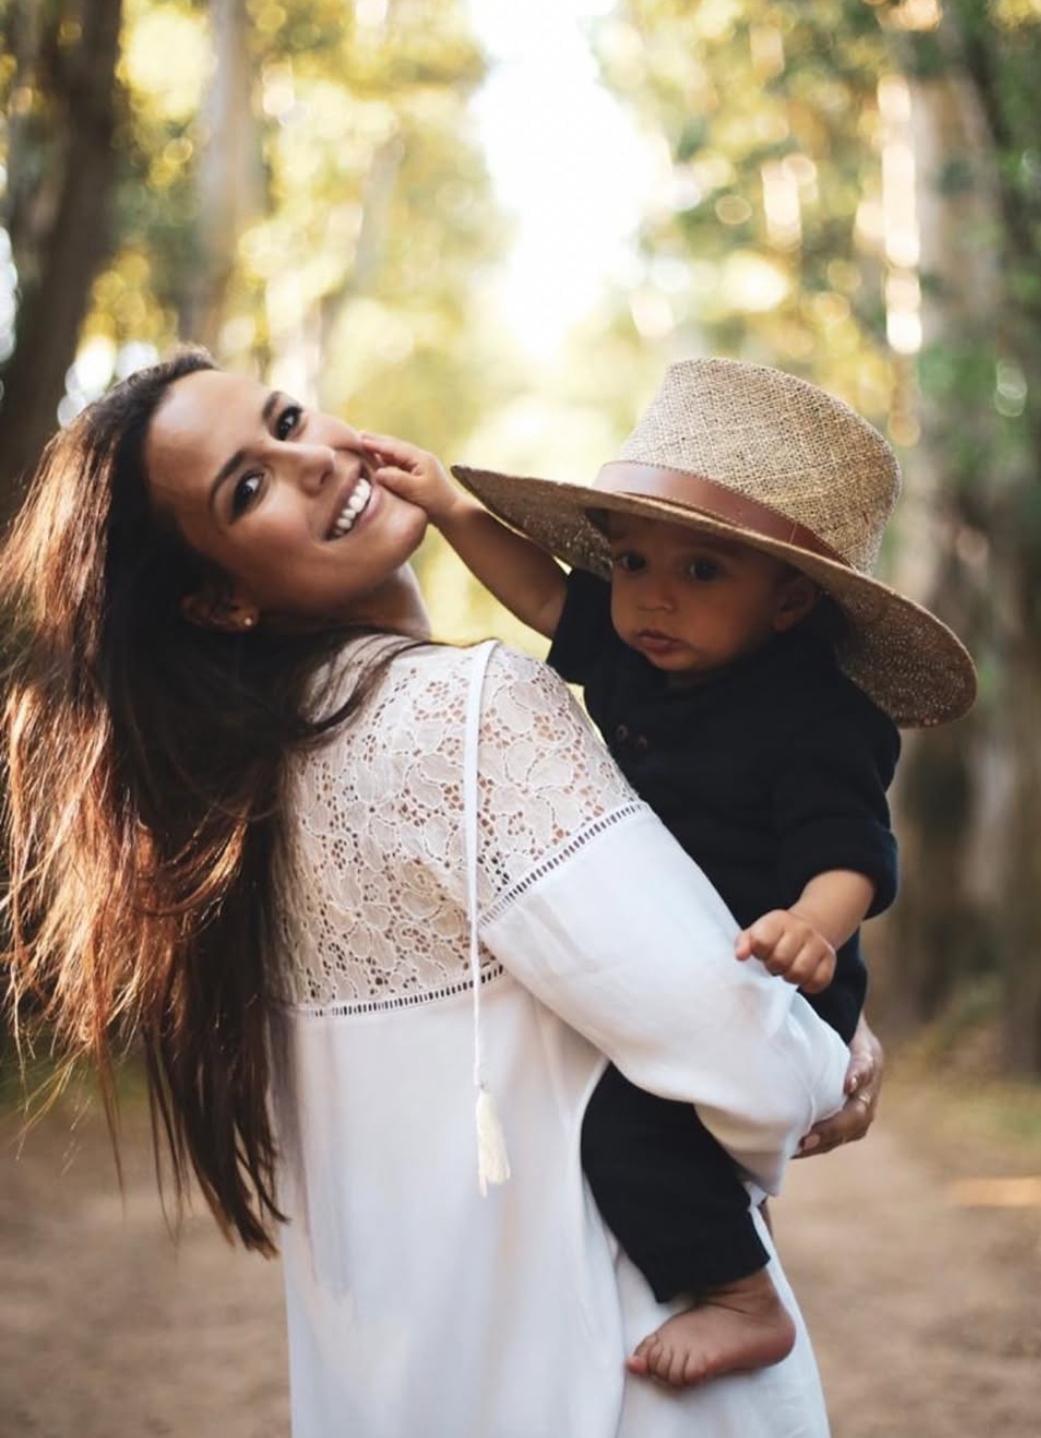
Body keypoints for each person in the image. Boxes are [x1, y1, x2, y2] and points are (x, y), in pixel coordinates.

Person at [3, 351, 880, 1438]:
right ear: (219, 596)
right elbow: (750, 1055)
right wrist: (824, 1048)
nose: (313, 460)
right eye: (249, 485)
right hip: (619, 1382)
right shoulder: (465, 717)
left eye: (288, 418)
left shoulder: (242, 804)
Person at [359, 357, 976, 1390]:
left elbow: (851, 851)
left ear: (789, 604)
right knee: (623, 1116)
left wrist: (814, 927)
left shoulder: (818, 714)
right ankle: (705, 1244)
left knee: (633, 1136)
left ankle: (745, 1299)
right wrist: (449, 507)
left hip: (773, 964)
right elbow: (547, 597)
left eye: (700, 572)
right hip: (668, 950)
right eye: (633, 560)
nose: (650, 597)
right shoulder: (644, 649)